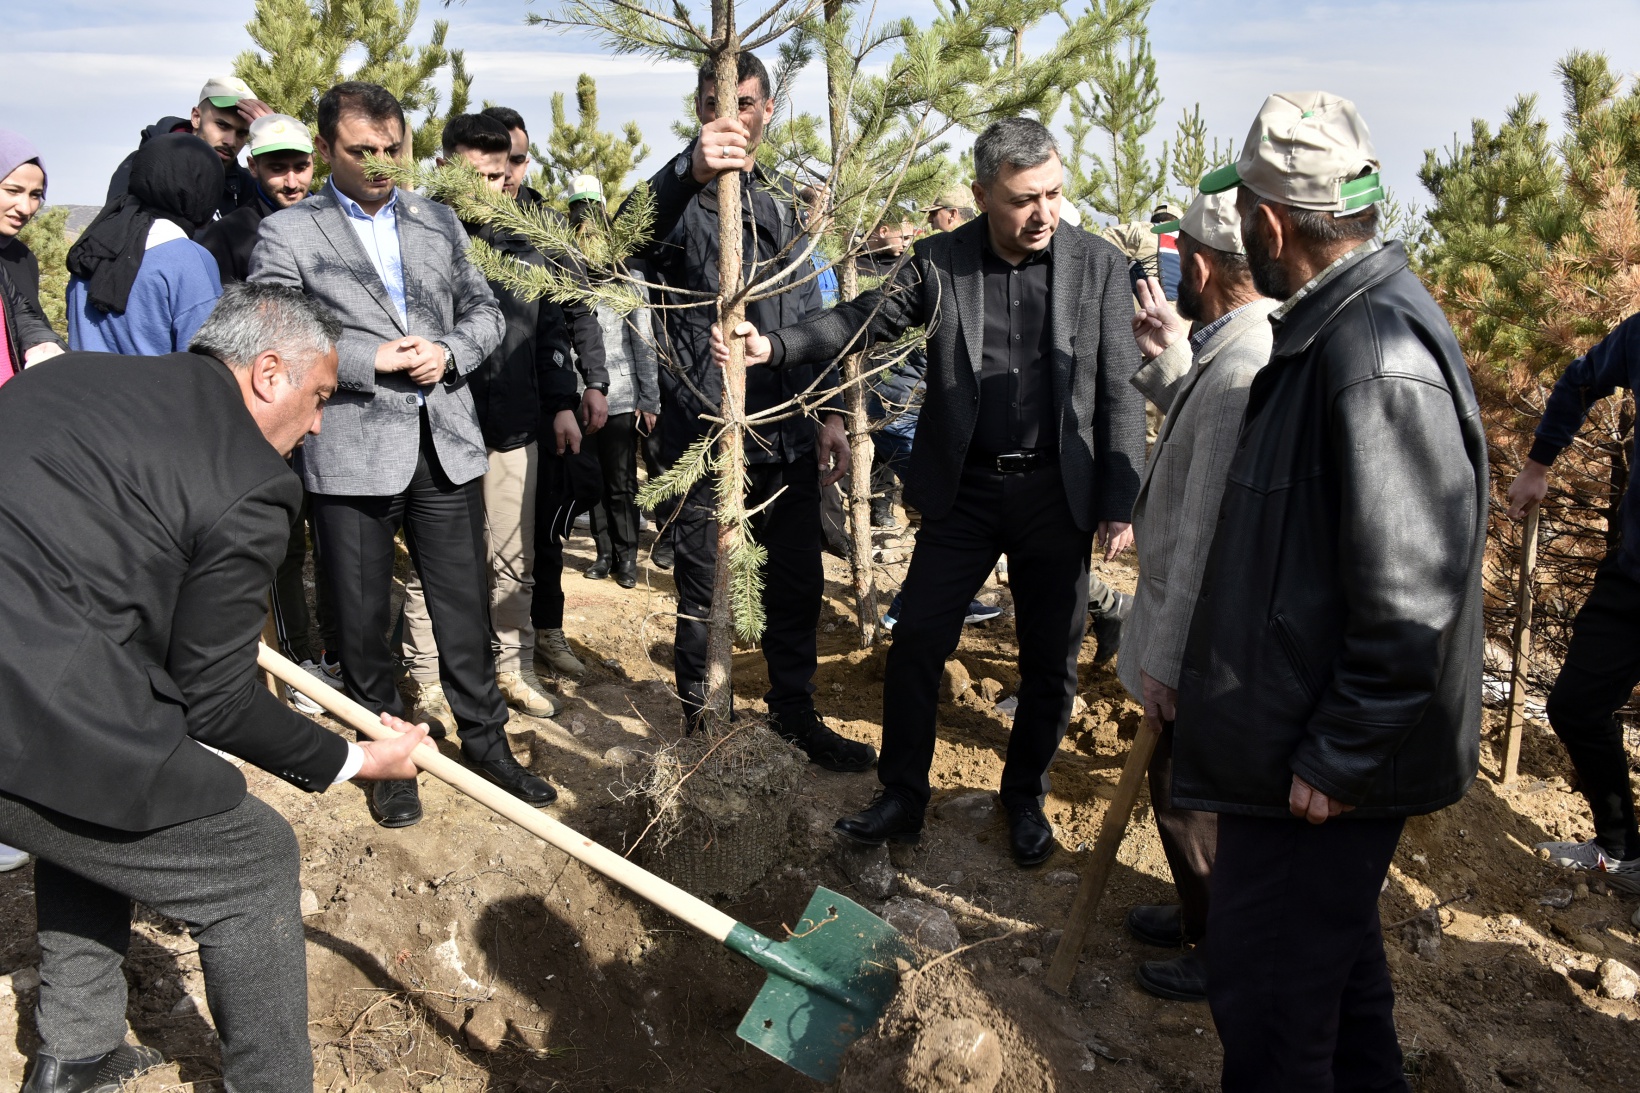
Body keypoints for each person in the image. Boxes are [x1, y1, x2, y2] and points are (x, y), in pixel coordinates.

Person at [0, 282, 431, 1093]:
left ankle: (77, 1049)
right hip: (24, 701)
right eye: (319, 398)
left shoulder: (65, 375)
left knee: (98, 792)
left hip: (34, 695)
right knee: (250, 858)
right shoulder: (252, 483)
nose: (316, 425)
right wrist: (355, 760)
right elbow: (216, 698)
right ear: (269, 373)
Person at [719, 117, 1146, 866]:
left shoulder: (1100, 267)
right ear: (983, 195)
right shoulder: (940, 263)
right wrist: (775, 345)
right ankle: (902, 795)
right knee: (916, 641)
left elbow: (1119, 388)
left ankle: (1024, 798)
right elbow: (861, 322)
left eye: (1052, 194)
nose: (1042, 212)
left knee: (1051, 660)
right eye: (1022, 199)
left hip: (1057, 490)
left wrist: (1120, 495)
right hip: (967, 490)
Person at [1177, 92, 1486, 1089]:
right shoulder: (1341, 329)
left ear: (1267, 226)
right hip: (1309, 742)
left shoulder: (1373, 355)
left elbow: (1408, 590)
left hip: (1318, 774)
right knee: (1338, 996)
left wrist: (1340, 753)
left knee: (1269, 1016)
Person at [249, 82, 553, 829]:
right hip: (351, 445)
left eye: (393, 149)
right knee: (359, 618)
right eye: (363, 152)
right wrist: (370, 355)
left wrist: (447, 350)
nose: (382, 164)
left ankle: (486, 743)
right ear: (327, 150)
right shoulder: (290, 234)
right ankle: (387, 756)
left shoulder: (437, 219)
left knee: (462, 606)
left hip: (444, 443)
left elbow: (484, 311)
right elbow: (280, 329)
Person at [619, 52, 869, 772]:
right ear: (702, 109)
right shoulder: (683, 196)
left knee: (797, 586)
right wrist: (687, 170)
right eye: (719, 102)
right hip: (708, 438)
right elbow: (625, 243)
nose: (739, 114)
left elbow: (809, 311)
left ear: (766, 110)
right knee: (705, 593)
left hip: (786, 432)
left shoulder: (782, 205)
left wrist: (825, 413)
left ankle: (795, 715)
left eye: (753, 102)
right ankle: (703, 730)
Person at [1113, 190, 1275, 1005]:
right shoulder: (1233, 345)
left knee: (1186, 801)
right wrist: (1173, 363)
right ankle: (1195, 910)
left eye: (1180, 261)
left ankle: (1222, 948)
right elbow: (1208, 432)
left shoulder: (1245, 362)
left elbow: (1206, 529)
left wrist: (1168, 664)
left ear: (1201, 266)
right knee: (1180, 797)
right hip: (1202, 634)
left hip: (1199, 640)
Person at [399, 114, 607, 724]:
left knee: (514, 558)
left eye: (502, 172)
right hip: (437, 426)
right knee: (433, 561)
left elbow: (547, 329)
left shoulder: (528, 241)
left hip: (514, 426)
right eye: (480, 175)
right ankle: (426, 678)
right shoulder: (418, 234)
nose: (495, 186)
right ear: (445, 169)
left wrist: (561, 401)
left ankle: (513, 668)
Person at [1506, 330, 1640, 890]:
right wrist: (1539, 463)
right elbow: (1581, 377)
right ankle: (1622, 852)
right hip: (1634, 577)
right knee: (1575, 707)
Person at [568, 174, 659, 589]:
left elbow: (645, 344)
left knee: (621, 481)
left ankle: (627, 556)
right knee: (593, 480)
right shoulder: (568, 276)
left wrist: (650, 400)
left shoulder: (630, 279)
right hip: (578, 396)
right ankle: (603, 553)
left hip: (622, 398)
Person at [66, 133, 224, 355]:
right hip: (151, 389)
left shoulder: (92, 247)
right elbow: (203, 358)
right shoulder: (189, 259)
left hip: (77, 386)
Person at [106, 76, 271, 220]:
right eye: (222, 125)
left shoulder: (245, 186)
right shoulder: (139, 166)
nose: (230, 141)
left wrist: (279, 137)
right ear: (196, 118)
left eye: (242, 133)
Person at [198, 114, 316, 283]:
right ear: (253, 167)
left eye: (301, 168)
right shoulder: (227, 235)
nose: (291, 183)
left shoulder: (336, 221)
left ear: (314, 162)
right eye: (277, 169)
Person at [0, 131, 50, 310]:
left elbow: (30, 322)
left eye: (35, 195)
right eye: (13, 191)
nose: (25, 208)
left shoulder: (22, 258)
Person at [480, 105, 544, 204]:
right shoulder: (451, 216)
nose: (506, 173)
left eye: (517, 161)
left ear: (525, 165)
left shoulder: (552, 219)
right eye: (496, 160)